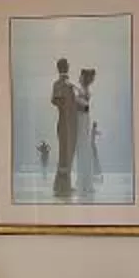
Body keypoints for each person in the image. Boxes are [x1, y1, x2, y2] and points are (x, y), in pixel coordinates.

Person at [49, 58, 85, 201]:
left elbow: (74, 103)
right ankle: (61, 186)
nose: (66, 67)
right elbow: (56, 100)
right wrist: (65, 106)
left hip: (72, 123)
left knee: (69, 153)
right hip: (65, 123)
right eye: (65, 65)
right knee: (64, 153)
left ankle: (64, 184)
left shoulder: (70, 85)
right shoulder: (59, 84)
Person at [75, 67, 103, 200]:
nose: (92, 80)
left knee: (85, 151)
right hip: (81, 120)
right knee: (83, 150)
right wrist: (84, 105)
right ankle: (84, 183)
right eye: (91, 78)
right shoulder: (80, 91)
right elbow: (79, 105)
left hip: (84, 120)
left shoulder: (82, 90)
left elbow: (84, 105)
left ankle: (85, 182)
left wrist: (84, 105)